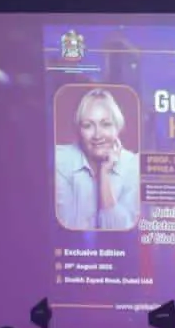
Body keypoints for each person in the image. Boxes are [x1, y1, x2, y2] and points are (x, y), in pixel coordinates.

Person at [55, 87, 140, 231]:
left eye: (106, 124)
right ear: (79, 130)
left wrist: (104, 175)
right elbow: (66, 229)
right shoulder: (60, 160)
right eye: (88, 126)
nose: (97, 135)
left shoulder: (133, 165)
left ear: (117, 128)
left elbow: (120, 233)